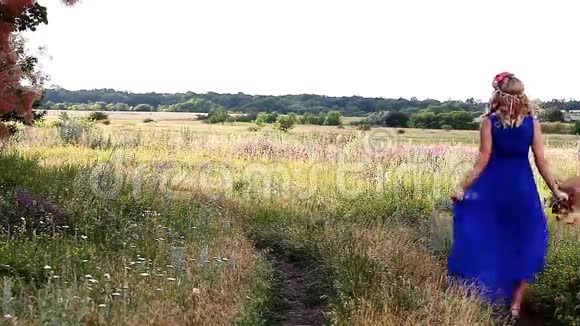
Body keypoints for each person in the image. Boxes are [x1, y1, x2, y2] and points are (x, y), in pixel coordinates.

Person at [447, 72, 568, 318]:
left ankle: (486, 293)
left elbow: (482, 161)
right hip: (522, 189)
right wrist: (555, 190)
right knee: (525, 241)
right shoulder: (532, 122)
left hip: (493, 190)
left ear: (497, 95)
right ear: (522, 96)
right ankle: (515, 304)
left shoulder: (489, 122)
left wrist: (463, 188)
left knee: (493, 238)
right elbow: (541, 160)